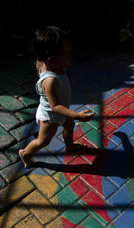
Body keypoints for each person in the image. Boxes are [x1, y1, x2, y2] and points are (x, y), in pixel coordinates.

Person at [19, 26, 94, 168]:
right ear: (51, 60)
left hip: (61, 111)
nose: (71, 57)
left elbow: (39, 62)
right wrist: (77, 115)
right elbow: (55, 106)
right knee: (43, 141)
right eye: (67, 55)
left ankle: (70, 146)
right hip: (50, 117)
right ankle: (26, 153)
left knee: (69, 125)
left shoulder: (45, 63)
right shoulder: (51, 80)